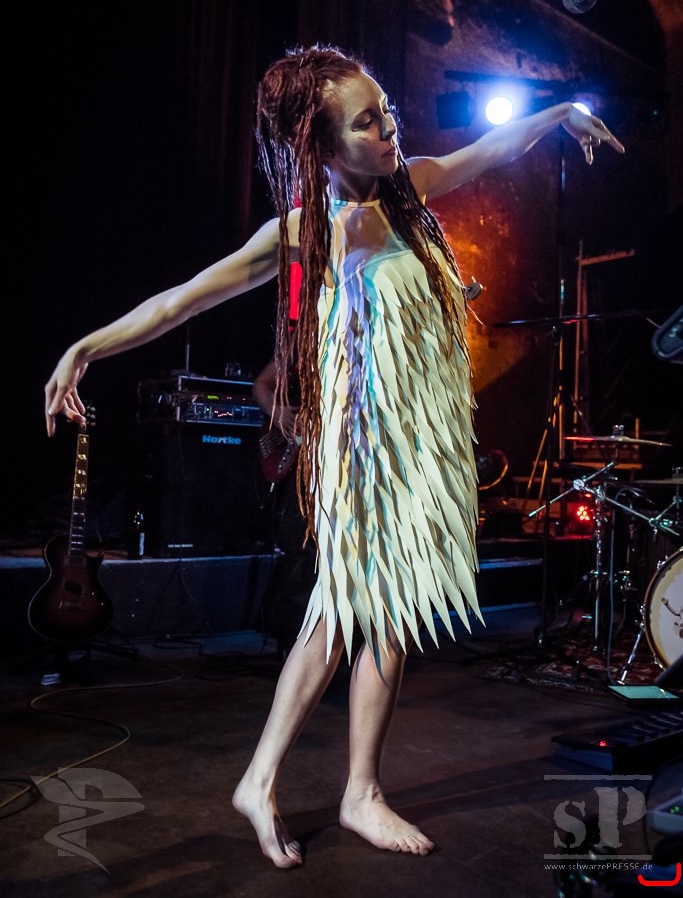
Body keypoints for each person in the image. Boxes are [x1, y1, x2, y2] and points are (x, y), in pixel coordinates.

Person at [44, 43, 625, 869]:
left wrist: (560, 112)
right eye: (366, 123)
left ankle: (358, 791)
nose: (388, 131)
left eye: (386, 112)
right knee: (343, 610)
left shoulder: (408, 191)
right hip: (367, 449)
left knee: (390, 615)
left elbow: (492, 148)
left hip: (420, 442)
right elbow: (181, 300)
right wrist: (86, 347)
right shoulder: (302, 233)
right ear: (319, 143)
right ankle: (271, 780)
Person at [252, 355, 317, 659]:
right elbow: (261, 385)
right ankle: (291, 640)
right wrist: (277, 411)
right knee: (301, 548)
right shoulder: (300, 343)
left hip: (341, 460)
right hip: (303, 463)